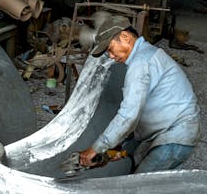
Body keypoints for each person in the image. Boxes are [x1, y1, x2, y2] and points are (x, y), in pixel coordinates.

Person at [79, 16, 200, 173]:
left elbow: (129, 115)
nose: (110, 56)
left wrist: (97, 148)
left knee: (137, 188)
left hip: (176, 134)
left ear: (125, 37)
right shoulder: (149, 53)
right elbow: (139, 115)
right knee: (156, 187)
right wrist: (117, 148)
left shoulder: (140, 64)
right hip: (180, 131)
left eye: (110, 49)